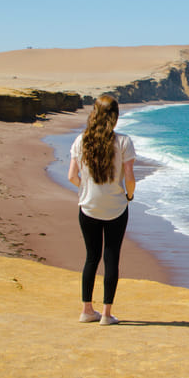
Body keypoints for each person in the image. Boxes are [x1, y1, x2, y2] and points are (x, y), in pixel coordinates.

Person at [68, 94, 136, 325]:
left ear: (94, 114)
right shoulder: (124, 142)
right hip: (116, 207)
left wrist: (86, 189)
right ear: (115, 117)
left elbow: (71, 176)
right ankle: (106, 314)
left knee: (91, 257)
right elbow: (129, 178)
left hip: (88, 206)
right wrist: (129, 195)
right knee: (111, 257)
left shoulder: (80, 141)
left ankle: (87, 310)